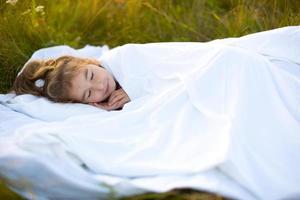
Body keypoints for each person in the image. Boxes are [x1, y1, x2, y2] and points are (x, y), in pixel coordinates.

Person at [12, 55, 131, 111]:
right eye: (88, 94)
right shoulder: (106, 103)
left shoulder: (118, 61)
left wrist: (132, 89)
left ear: (87, 62)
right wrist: (111, 107)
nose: (100, 86)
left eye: (91, 76)